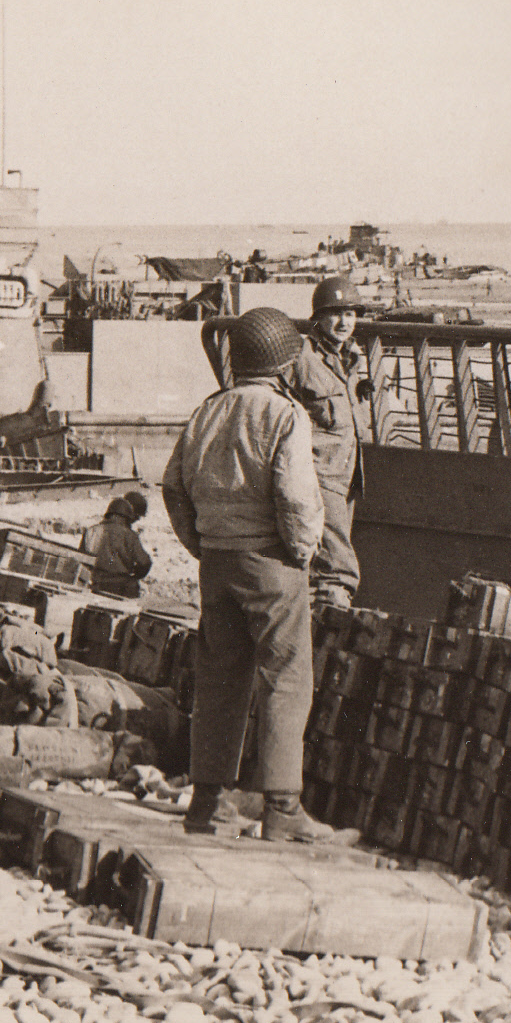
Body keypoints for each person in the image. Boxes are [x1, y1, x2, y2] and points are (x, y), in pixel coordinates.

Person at [160, 307, 351, 845]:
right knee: (287, 679)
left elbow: (173, 487)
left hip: (216, 564)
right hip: (271, 563)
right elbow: (297, 498)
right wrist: (301, 553)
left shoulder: (206, 411)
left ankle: (207, 805)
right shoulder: (285, 415)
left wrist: (202, 545)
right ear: (286, 364)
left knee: (219, 681)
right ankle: (282, 808)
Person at [286, 275, 370, 611]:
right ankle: (335, 604)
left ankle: (315, 605)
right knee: (336, 556)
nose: (344, 321)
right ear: (318, 318)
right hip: (318, 470)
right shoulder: (303, 356)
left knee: (325, 544)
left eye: (350, 313)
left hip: (347, 472)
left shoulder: (351, 357)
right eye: (335, 313)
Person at [85, 491, 153, 598]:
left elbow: (82, 560)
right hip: (122, 587)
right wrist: (135, 576)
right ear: (127, 516)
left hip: (96, 585)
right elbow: (145, 562)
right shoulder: (130, 536)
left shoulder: (92, 531)